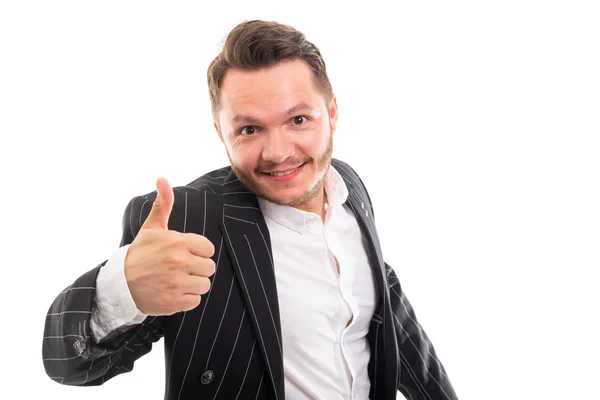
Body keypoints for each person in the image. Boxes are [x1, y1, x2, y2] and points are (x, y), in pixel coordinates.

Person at [42, 19, 458, 400]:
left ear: (331, 113)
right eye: (250, 129)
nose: (278, 153)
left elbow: (385, 300)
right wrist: (122, 289)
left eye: (298, 120)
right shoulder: (188, 220)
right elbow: (70, 364)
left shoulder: (348, 185)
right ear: (222, 134)